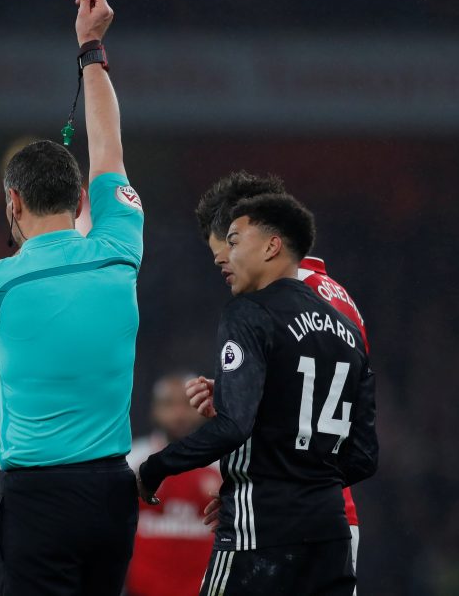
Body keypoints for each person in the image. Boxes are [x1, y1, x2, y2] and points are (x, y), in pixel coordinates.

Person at [0, 0, 143, 595]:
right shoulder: (119, 248)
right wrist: (91, 47)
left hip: (40, 498)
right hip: (116, 491)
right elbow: (108, 143)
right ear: (82, 197)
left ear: (13, 202)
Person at [137, 193, 378, 595]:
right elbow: (364, 455)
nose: (223, 257)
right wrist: (305, 480)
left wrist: (155, 468)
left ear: (272, 245)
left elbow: (234, 426)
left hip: (260, 530)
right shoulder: (346, 324)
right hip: (330, 530)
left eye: (232, 241)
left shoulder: (250, 312)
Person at [189, 171, 369, 576]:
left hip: (291, 524)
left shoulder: (288, 309)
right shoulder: (334, 300)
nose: (224, 266)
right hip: (320, 516)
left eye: (228, 250)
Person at [126, 375, 221, 596]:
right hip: (141, 590)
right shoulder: (132, 461)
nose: (179, 414)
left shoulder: (223, 465)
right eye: (169, 404)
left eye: (187, 404)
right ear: (155, 410)